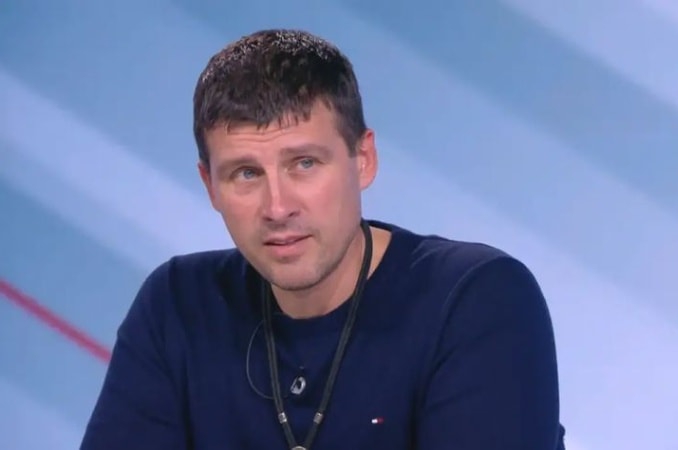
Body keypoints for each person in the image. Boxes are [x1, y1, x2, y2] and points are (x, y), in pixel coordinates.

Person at [79, 28, 566, 450]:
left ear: (363, 160)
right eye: (246, 173)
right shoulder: (177, 306)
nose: (277, 207)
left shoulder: (476, 299)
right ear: (210, 186)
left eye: (304, 164)